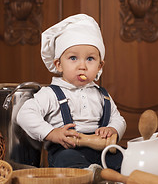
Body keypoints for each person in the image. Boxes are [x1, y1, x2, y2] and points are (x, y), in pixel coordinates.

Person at [17, 14, 126, 172]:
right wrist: (52, 133)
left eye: (90, 59)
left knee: (127, 158)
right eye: (73, 58)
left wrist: (113, 129)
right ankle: (91, 176)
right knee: (66, 160)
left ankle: (99, 175)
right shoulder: (50, 94)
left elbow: (119, 119)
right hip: (67, 150)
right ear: (58, 64)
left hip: (101, 150)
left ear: (100, 66)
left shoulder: (101, 95)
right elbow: (24, 114)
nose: (82, 66)